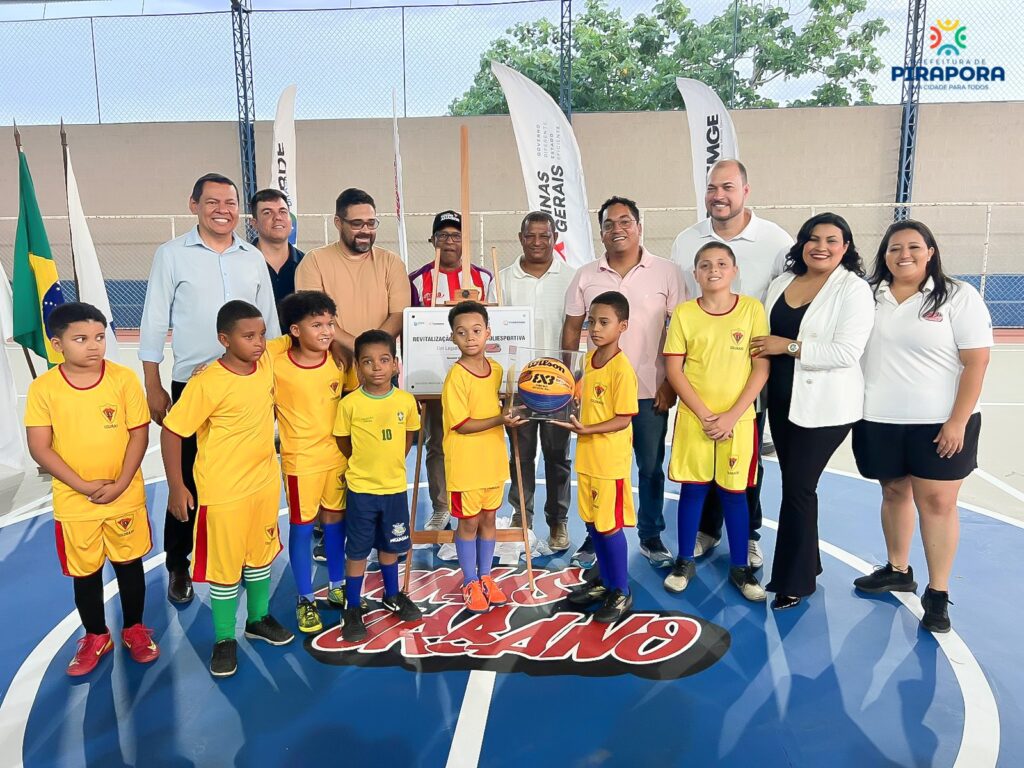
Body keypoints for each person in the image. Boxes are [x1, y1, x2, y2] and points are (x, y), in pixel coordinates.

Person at [139, 172, 280, 606]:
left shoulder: (252, 258)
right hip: (194, 384)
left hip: (247, 386)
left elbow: (270, 325)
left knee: (241, 479)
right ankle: (179, 563)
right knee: (187, 480)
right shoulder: (172, 255)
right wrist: (153, 383)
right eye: (213, 202)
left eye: (231, 202)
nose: (223, 210)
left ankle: (242, 559)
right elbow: (153, 320)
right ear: (194, 204)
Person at [852, 220, 992, 633]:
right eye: (895, 248)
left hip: (940, 422)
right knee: (894, 492)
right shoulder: (868, 295)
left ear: (930, 251)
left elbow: (976, 362)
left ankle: (938, 592)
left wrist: (957, 422)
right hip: (879, 418)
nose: (904, 255)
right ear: (884, 255)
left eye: (914, 246)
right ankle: (898, 568)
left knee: (937, 504)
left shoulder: (958, 296)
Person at [670, 159, 794, 569]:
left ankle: (748, 539)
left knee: (743, 479)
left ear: (745, 189)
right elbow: (679, 310)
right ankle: (705, 534)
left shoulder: (776, 240)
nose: (718, 195)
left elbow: (792, 291)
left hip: (745, 385)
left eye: (727, 187)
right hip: (699, 390)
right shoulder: (688, 240)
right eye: (711, 188)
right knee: (699, 479)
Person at [25, 302, 160, 676]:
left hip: (124, 497)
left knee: (129, 566)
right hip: (75, 502)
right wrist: (82, 485)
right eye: (81, 339)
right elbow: (40, 445)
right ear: (57, 345)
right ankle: (96, 635)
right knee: (86, 575)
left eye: (99, 337)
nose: (93, 345)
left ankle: (134, 628)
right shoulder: (44, 388)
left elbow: (138, 433)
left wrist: (121, 483)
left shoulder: (123, 379)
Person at [161, 300, 294, 678]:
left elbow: (297, 334)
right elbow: (172, 431)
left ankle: (258, 619)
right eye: (248, 336)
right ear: (224, 339)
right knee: (224, 567)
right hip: (223, 491)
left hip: (264, 484)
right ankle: (223, 638)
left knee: (259, 555)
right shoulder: (207, 382)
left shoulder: (266, 358)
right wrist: (176, 486)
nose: (258, 343)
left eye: (261, 334)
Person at [754, 212, 874, 610]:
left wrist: (786, 346)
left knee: (799, 489)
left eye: (832, 240)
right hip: (784, 402)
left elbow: (845, 352)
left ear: (846, 248)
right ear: (802, 243)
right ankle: (809, 563)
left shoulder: (853, 289)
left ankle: (794, 580)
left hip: (826, 408)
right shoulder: (782, 283)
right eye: (813, 238)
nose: (821, 246)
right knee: (796, 483)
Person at [561, 196, 685, 568]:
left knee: (649, 466)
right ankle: (592, 535)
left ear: (639, 226)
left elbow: (679, 331)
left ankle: (650, 536)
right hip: (596, 394)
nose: (618, 229)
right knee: (596, 469)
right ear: (600, 232)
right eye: (609, 224)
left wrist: (671, 384)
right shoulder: (585, 275)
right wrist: (571, 382)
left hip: (650, 391)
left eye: (625, 221)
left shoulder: (667, 272)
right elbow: (570, 328)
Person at [662, 243, 769, 601]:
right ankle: (683, 560)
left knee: (735, 493)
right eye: (705, 264)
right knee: (692, 490)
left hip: (738, 421)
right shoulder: (684, 313)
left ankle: (741, 567)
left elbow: (761, 367)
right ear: (695, 274)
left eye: (722, 263)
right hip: (696, 420)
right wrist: (707, 415)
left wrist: (732, 415)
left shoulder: (752, 310)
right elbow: (674, 369)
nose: (713, 269)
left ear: (734, 270)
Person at [409, 211, 497, 532]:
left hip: (477, 379)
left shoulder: (483, 278)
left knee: (480, 437)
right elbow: (413, 329)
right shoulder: (417, 280)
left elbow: (491, 325)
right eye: (443, 235)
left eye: (456, 235)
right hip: (436, 379)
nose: (449, 241)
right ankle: (441, 506)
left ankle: (482, 500)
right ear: (432, 240)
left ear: (466, 241)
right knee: (436, 442)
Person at [333, 330, 424, 641]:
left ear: (395, 364)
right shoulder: (350, 405)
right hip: (362, 490)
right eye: (368, 362)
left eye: (384, 360)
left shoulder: (406, 401)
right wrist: (364, 463)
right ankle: (353, 605)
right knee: (357, 550)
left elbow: (409, 437)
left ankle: (392, 594)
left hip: (394, 489)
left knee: (391, 546)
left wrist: (390, 462)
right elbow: (343, 441)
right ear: (357, 366)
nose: (377, 368)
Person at [555, 292, 639, 623]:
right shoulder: (589, 361)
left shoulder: (622, 369)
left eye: (604, 322)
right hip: (587, 457)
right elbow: (580, 403)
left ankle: (621, 590)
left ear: (623, 326)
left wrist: (587, 430)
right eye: (592, 321)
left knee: (608, 527)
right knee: (592, 523)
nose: (595, 328)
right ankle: (604, 581)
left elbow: (623, 417)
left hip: (609, 462)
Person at [268, 291, 347, 634]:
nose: (327, 330)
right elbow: (251, 352)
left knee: (335, 524)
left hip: (337, 459)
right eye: (317, 325)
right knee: (302, 529)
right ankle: (304, 598)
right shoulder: (277, 362)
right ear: (295, 331)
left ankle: (337, 584)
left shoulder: (340, 361)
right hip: (301, 462)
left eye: (330, 323)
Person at [499, 211, 576, 550]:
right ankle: (522, 517)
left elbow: (578, 332)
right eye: (530, 236)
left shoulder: (571, 278)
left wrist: (575, 380)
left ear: (554, 237)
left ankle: (557, 521)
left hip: (560, 387)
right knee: (520, 454)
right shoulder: (501, 280)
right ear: (520, 238)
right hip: (518, 387)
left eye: (544, 236)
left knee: (558, 457)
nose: (537, 242)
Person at [442, 301, 526, 613]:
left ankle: (487, 577)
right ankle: (469, 580)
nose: (470, 337)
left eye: (476, 330)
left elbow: (505, 405)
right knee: (469, 522)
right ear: (453, 338)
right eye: (462, 333)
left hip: (492, 461)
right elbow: (462, 425)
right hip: (465, 464)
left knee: (490, 518)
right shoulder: (456, 377)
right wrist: (501, 419)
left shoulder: (499, 371)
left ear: (488, 332)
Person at [295, 187, 410, 392]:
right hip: (332, 368)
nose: (365, 230)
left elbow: (399, 315)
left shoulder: (392, 262)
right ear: (338, 223)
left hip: (380, 372)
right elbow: (314, 318)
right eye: (357, 224)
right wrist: (361, 348)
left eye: (371, 223)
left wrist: (369, 353)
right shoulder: (314, 261)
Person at [250, 188, 304, 326]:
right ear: (254, 223)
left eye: (283, 212)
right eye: (267, 212)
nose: (277, 217)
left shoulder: (307, 264)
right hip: (257, 345)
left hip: (297, 345)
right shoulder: (241, 264)